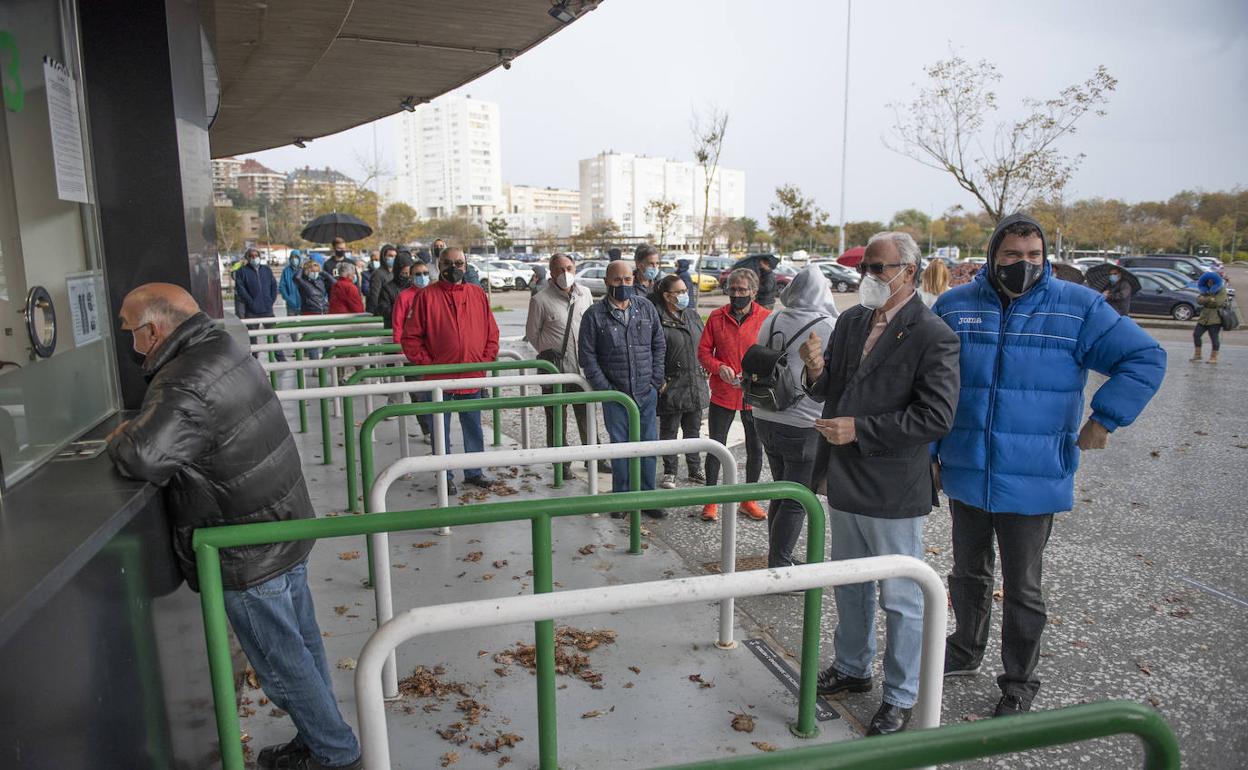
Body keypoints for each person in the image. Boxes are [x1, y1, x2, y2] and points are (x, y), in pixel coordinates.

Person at [106, 284, 362, 770]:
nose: (128, 340)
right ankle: (320, 738)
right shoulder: (222, 346)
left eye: (128, 329)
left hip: (246, 547)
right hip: (279, 524)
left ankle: (335, 753)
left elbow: (144, 456)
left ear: (153, 331)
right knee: (301, 647)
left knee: (282, 666)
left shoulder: (183, 380)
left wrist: (123, 435)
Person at [932, 214, 1166, 718]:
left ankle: (1018, 680)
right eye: (1013, 255)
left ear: (1047, 257)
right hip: (967, 468)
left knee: (1024, 587)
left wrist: (1104, 420)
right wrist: (933, 453)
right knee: (967, 574)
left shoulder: (1078, 308)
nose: (1024, 265)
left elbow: (1145, 357)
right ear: (993, 254)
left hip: (1035, 475)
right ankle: (965, 648)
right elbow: (932, 386)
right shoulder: (955, 306)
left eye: (1034, 256)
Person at [798, 231, 961, 736]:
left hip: (892, 485)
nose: (868, 274)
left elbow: (936, 416)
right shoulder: (850, 320)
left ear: (908, 272)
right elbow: (832, 389)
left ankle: (901, 695)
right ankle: (852, 668)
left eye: (878, 267)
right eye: (866, 265)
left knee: (900, 597)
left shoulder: (934, 334)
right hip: (843, 476)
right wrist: (815, 369)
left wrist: (860, 429)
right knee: (849, 583)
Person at [752, 265, 838, 568]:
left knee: (781, 489)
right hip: (803, 424)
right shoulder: (829, 325)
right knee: (798, 498)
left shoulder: (772, 317)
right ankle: (780, 564)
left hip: (765, 415)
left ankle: (777, 557)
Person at [401, 247, 499, 493]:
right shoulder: (425, 297)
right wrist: (430, 365)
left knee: (474, 427)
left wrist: (483, 361)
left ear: (466, 265)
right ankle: (444, 475)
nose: (454, 268)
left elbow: (492, 332)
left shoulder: (477, 294)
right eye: (448, 263)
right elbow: (410, 339)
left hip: (471, 377)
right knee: (439, 430)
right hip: (438, 381)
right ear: (439, 264)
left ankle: (474, 471)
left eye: (459, 263)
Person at [578, 260, 667, 519]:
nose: (623, 284)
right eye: (617, 280)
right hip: (615, 395)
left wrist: (654, 381)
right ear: (607, 281)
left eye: (628, 279)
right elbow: (588, 357)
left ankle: (648, 497)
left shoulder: (646, 308)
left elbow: (658, 345)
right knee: (620, 448)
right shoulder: (594, 315)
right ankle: (622, 499)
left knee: (649, 446)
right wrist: (605, 389)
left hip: (645, 394)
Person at [697, 267, 770, 522]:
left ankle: (748, 500)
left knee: (755, 448)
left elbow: (773, 354)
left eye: (742, 290)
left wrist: (756, 373)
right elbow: (704, 352)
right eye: (733, 289)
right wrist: (719, 367)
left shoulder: (766, 318)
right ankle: (710, 501)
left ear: (753, 291)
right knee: (716, 446)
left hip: (753, 394)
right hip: (723, 392)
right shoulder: (717, 318)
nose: (737, 294)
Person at [525, 253, 597, 478]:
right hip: (555, 371)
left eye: (569, 267)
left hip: (581, 369)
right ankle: (561, 463)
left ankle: (595, 457)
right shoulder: (540, 300)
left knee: (587, 415)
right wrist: (551, 352)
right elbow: (532, 335)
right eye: (559, 270)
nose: (565, 273)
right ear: (551, 273)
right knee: (556, 419)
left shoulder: (585, 294)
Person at [650, 273, 709, 489]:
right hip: (671, 384)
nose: (685, 295)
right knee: (669, 431)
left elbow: (703, 344)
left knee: (693, 431)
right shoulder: (657, 318)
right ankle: (670, 471)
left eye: (686, 290)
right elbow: (652, 352)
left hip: (694, 381)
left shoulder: (692, 316)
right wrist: (659, 379)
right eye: (680, 292)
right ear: (667, 296)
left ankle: (695, 468)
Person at [388, 255, 435, 441]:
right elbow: (397, 324)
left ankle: (437, 427)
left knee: (434, 393)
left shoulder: (434, 294)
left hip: (433, 354)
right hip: (412, 355)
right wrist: (400, 351)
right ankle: (427, 430)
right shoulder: (404, 297)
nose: (422, 277)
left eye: (425, 273)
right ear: (411, 277)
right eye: (418, 274)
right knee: (418, 394)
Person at [235, 248, 285, 361]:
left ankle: (281, 360)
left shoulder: (266, 270)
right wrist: (251, 302)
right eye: (251, 256)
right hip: (251, 311)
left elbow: (273, 285)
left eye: (256, 255)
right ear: (248, 258)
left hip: (267, 309)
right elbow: (241, 289)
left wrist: (271, 300)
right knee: (252, 339)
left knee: (274, 336)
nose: (254, 258)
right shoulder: (242, 271)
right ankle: (254, 361)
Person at [1192, 271, 1226, 363]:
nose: (1210, 282)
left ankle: (1213, 357)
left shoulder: (1221, 289)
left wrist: (1205, 300)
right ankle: (1197, 355)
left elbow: (1219, 302)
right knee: (1196, 334)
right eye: (1208, 281)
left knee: (1214, 338)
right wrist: (1210, 299)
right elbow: (1199, 300)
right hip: (1204, 317)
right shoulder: (1204, 289)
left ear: (1215, 281)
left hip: (1215, 318)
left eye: (1211, 281)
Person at [366, 244, 397, 315]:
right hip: (381, 312)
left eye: (395, 256)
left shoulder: (395, 273)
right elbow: (374, 296)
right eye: (390, 256)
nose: (393, 258)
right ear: (384, 257)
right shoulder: (377, 274)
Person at [280, 251, 304, 315]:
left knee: (305, 323)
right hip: (291, 304)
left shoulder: (304, 270)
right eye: (292, 257)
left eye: (296, 257)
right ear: (290, 259)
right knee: (292, 324)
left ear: (299, 258)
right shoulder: (286, 270)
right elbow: (282, 286)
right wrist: (287, 298)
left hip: (303, 304)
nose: (294, 259)